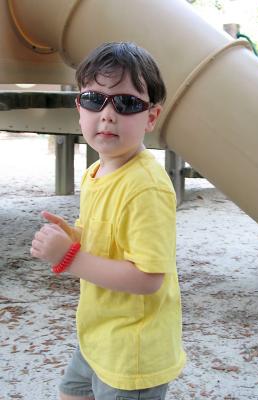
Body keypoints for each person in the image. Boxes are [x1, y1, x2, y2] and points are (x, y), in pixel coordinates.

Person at [31, 41, 186, 400]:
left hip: (133, 350)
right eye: (93, 99)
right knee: (72, 392)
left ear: (150, 117)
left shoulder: (146, 187)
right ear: (79, 110)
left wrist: (68, 256)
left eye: (127, 103)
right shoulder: (96, 172)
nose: (107, 114)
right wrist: (75, 235)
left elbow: (148, 278)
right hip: (98, 334)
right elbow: (106, 235)